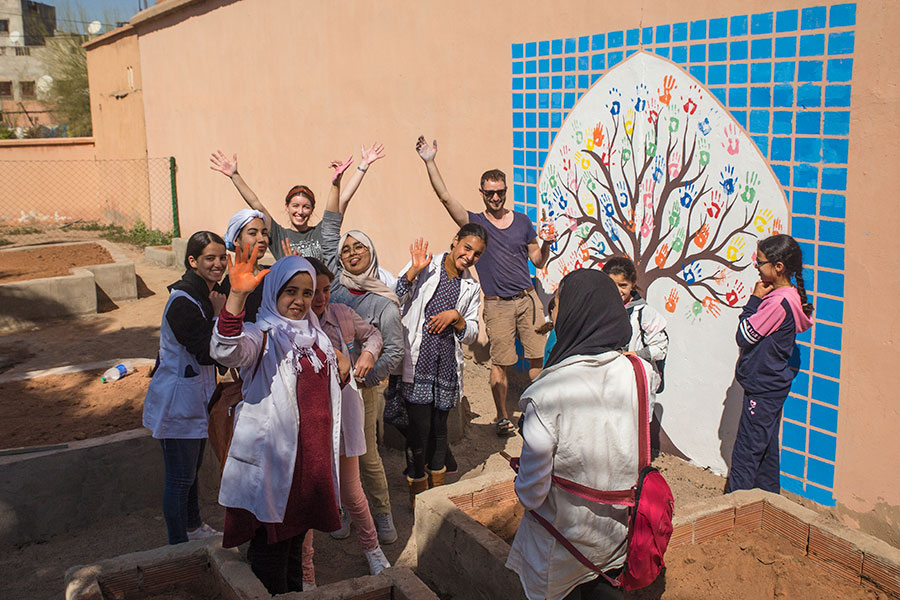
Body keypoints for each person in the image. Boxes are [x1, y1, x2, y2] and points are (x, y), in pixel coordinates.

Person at [506, 269, 656, 600]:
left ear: (575, 311)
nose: (551, 313)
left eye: (556, 304)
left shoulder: (545, 395)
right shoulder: (641, 373)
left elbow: (531, 494)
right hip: (617, 541)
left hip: (560, 553)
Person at [210, 247, 350, 595]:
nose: (301, 301)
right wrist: (237, 296)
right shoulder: (263, 334)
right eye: (291, 291)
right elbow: (226, 350)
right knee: (270, 551)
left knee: (295, 548)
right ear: (274, 292)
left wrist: (343, 371)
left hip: (310, 464)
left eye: (308, 293)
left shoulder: (315, 335)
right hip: (276, 464)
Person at [416, 135, 555, 436]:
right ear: (481, 193)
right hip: (497, 303)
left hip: (527, 298)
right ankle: (503, 416)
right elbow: (445, 198)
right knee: (501, 362)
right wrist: (430, 161)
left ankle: (539, 410)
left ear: (506, 191)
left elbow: (538, 260)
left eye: (500, 192)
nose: (495, 198)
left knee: (536, 358)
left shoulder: (522, 221)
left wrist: (547, 245)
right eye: (490, 193)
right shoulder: (476, 224)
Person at [299, 257, 391, 587]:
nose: (320, 298)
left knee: (352, 493)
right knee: (308, 498)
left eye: (325, 289)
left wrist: (368, 354)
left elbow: (374, 336)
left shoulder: (342, 315)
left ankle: (373, 551)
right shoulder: (296, 325)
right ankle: (307, 572)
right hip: (309, 422)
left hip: (343, 416)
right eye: (313, 291)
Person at [143, 231, 228, 545]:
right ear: (193, 261)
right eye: (210, 258)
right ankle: (177, 546)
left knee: (190, 475)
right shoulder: (183, 301)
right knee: (180, 479)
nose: (218, 264)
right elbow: (207, 350)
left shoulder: (207, 293)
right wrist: (221, 317)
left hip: (195, 399)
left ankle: (193, 529)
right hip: (178, 402)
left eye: (222, 257)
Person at [395, 225, 486, 506]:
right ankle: (416, 490)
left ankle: (435, 493)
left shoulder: (471, 286)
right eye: (467, 248)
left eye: (477, 254)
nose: (469, 257)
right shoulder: (425, 265)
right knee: (418, 428)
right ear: (455, 241)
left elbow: (471, 331)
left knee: (439, 427)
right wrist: (412, 271)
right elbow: (394, 299)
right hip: (419, 359)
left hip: (445, 363)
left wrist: (457, 317)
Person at [324, 229, 403, 543]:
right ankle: (340, 510)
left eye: (359, 247)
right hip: (326, 389)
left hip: (364, 389)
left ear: (371, 253)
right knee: (332, 449)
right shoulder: (330, 292)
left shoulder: (384, 301)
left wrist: (365, 375)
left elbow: (395, 350)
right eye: (346, 249)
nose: (352, 253)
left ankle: (382, 512)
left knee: (366, 453)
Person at [729, 234, 813, 493]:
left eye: (760, 262)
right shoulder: (788, 297)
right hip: (770, 387)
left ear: (778, 267)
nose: (756, 265)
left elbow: (744, 336)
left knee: (746, 453)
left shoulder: (778, 303)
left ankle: (734, 509)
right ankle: (767, 501)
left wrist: (753, 300)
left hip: (763, 388)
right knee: (765, 450)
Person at [209, 141, 385, 260]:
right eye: (295, 206)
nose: (300, 212)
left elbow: (344, 199)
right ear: (287, 207)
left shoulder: (322, 231)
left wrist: (364, 165)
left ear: (312, 209)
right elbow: (256, 204)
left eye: (306, 207)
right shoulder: (279, 235)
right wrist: (234, 176)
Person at [601, 256, 669, 390]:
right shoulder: (599, 310)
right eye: (612, 284)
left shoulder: (645, 313)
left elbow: (660, 348)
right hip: (608, 380)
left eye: (623, 285)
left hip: (636, 383)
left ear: (632, 284)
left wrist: (634, 355)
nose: (617, 290)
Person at [220, 208, 269, 321]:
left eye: (264, 233)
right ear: (236, 240)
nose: (261, 239)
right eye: (252, 233)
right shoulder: (231, 283)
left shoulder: (273, 273)